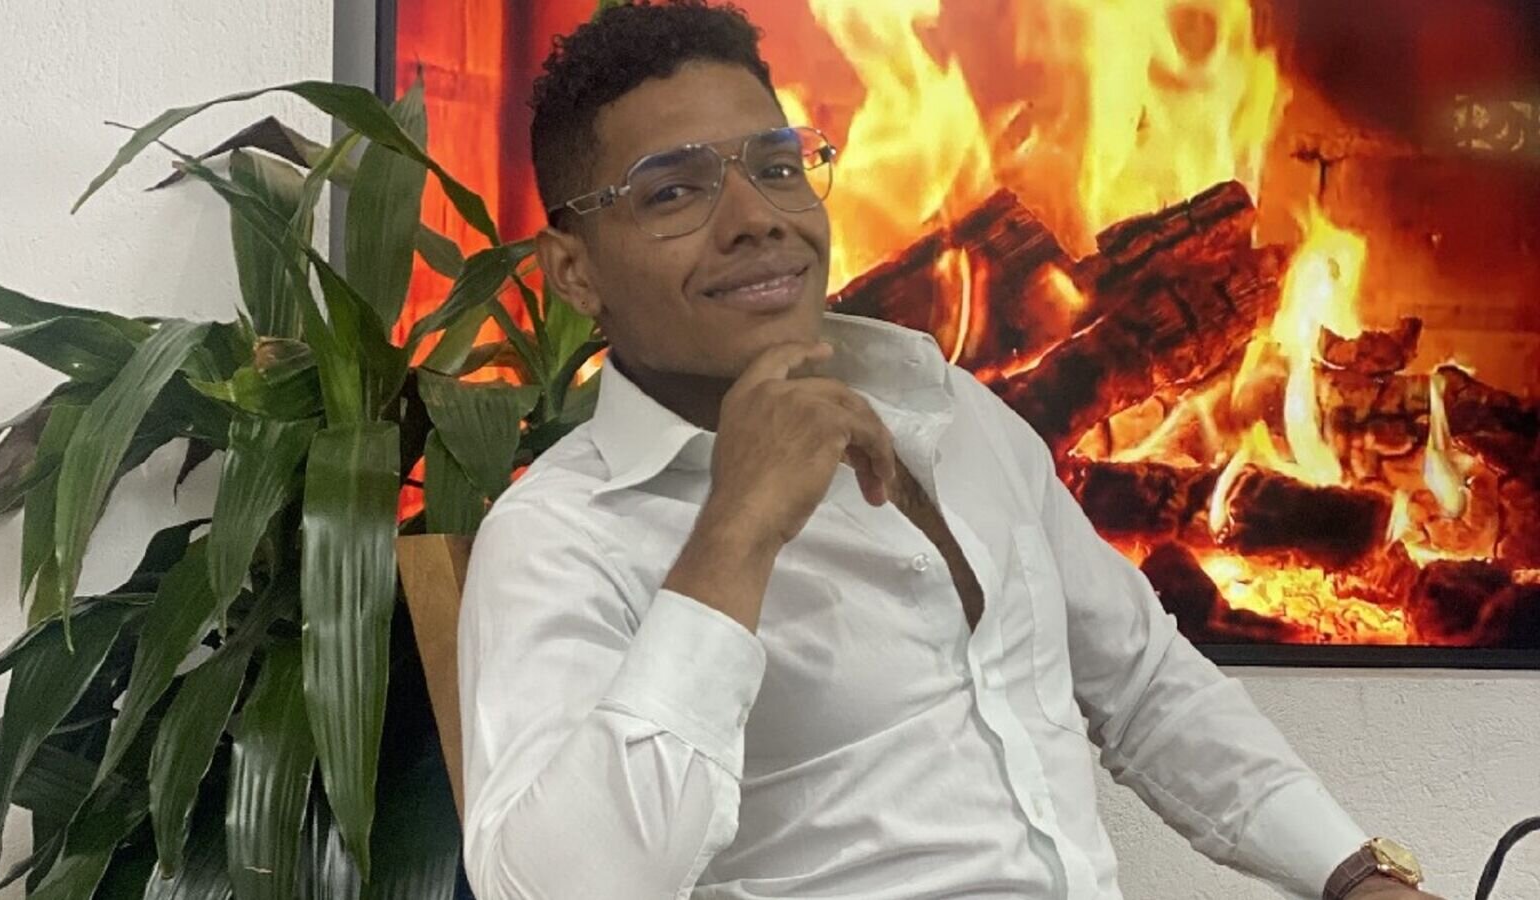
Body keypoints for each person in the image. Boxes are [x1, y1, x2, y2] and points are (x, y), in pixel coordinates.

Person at [455, 2, 1442, 898]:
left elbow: (1143, 687)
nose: (757, 219)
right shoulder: (561, 537)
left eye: (777, 167)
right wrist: (735, 531)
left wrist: (1358, 878)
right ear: (573, 272)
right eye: (674, 191)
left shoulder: (956, 412)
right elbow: (553, 888)